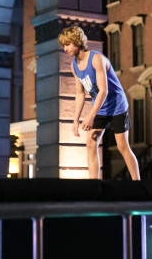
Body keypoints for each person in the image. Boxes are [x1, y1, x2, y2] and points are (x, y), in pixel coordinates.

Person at [58, 26, 140, 181]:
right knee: (90, 143)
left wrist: (90, 116)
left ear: (77, 41)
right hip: (100, 108)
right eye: (64, 45)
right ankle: (94, 184)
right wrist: (75, 120)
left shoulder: (96, 59)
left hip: (117, 106)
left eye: (68, 44)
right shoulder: (74, 66)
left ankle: (138, 183)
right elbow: (80, 93)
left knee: (122, 146)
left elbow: (103, 91)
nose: (65, 49)